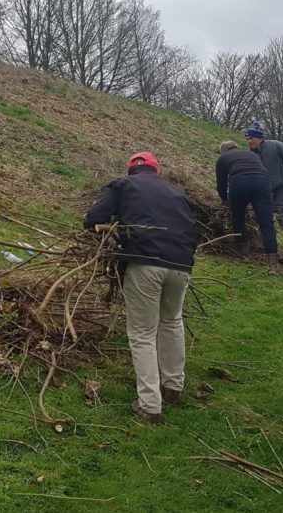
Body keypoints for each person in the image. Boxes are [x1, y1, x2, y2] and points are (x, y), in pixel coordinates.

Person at [84, 152, 197, 425]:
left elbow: (92, 218)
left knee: (142, 333)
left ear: (131, 170)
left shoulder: (122, 185)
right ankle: (173, 387)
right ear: (156, 170)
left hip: (145, 263)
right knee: (172, 322)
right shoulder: (177, 192)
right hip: (181, 265)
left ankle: (149, 405)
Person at [217, 140, 278, 273]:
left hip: (239, 182)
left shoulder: (223, 158)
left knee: (238, 218)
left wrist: (224, 200)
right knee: (266, 223)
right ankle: (273, 264)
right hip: (262, 182)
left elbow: (221, 184)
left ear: (223, 151)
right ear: (236, 147)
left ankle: (244, 254)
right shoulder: (251, 154)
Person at [245, 123, 283, 252]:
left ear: (259, 138)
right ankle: (263, 246)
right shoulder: (251, 154)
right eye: (247, 139)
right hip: (263, 191)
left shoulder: (276, 145)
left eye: (251, 138)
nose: (249, 141)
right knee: (261, 218)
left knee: (282, 218)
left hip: (280, 188)